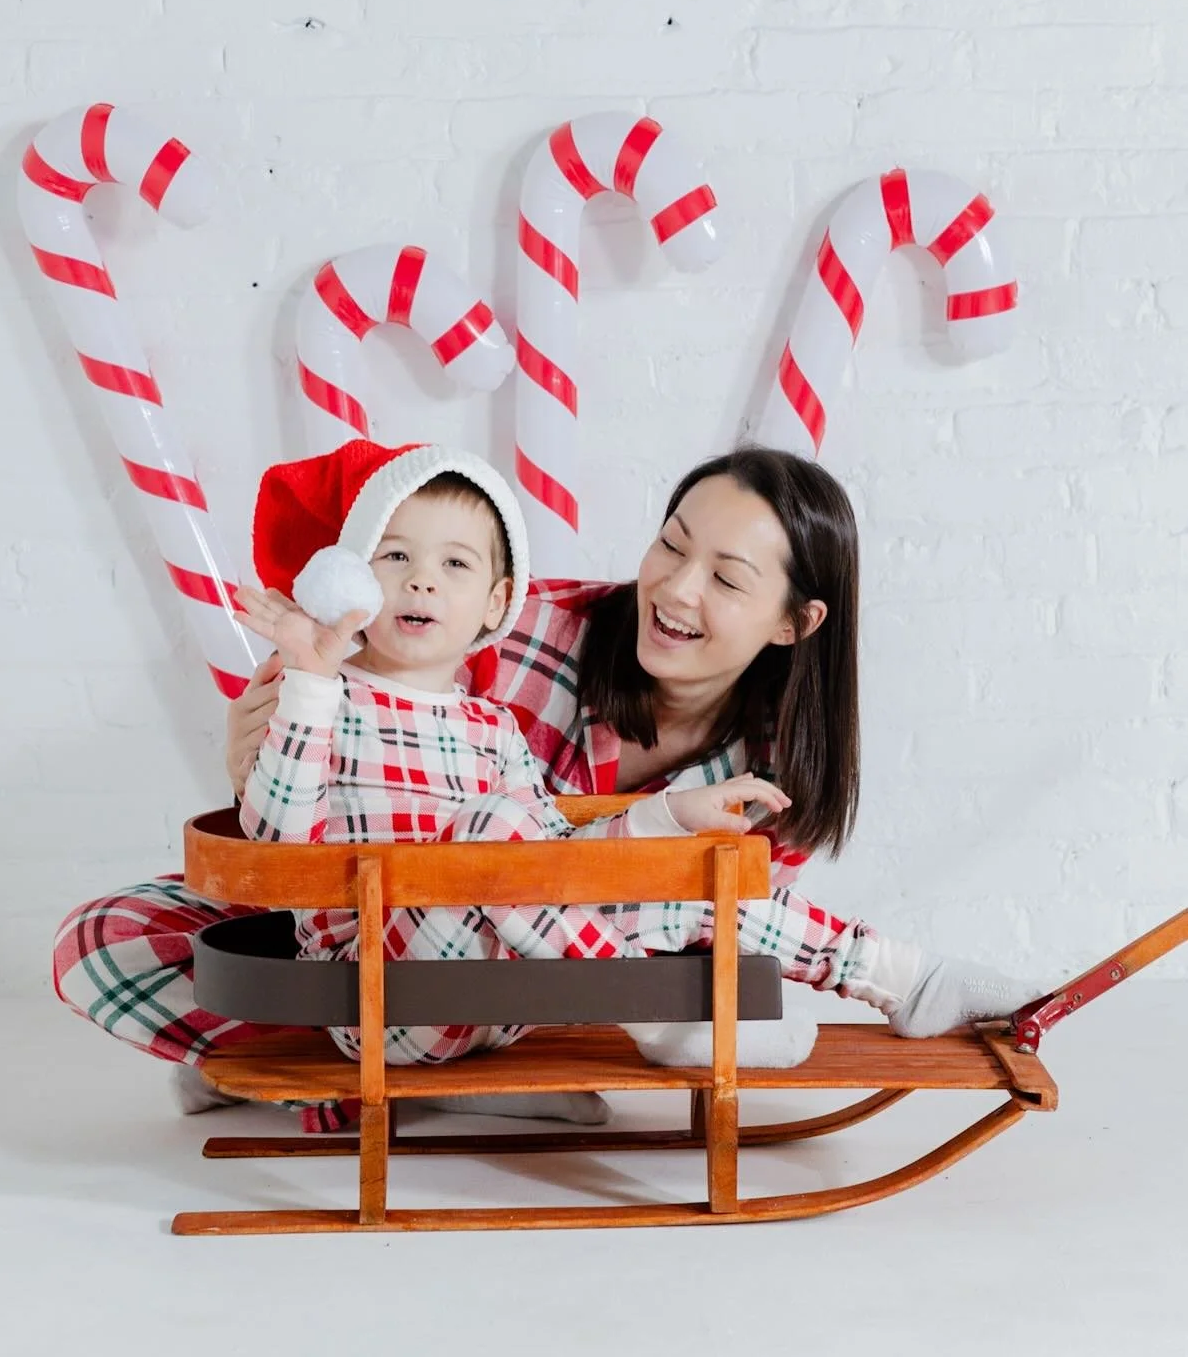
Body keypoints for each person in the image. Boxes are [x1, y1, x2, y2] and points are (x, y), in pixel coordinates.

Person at [54, 443, 1032, 1122]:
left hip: (541, 981)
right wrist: (290, 702)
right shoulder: (496, 636)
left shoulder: (768, 771)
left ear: (794, 621)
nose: (677, 586)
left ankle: (898, 974)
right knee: (110, 933)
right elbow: (303, 808)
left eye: (727, 576)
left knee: (676, 865)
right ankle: (432, 1072)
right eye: (671, 542)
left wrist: (662, 822)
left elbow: (639, 882)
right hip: (379, 953)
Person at [231, 439, 795, 1109]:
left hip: (504, 998)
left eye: (453, 563)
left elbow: (559, 858)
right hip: (371, 995)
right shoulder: (328, 698)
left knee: (622, 866)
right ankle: (651, 1013)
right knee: (493, 827)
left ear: (496, 603)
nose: (422, 581)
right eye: (394, 557)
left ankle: (879, 970)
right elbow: (278, 852)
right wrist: (306, 691)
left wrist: (663, 815)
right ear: (350, 578)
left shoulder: (491, 725)